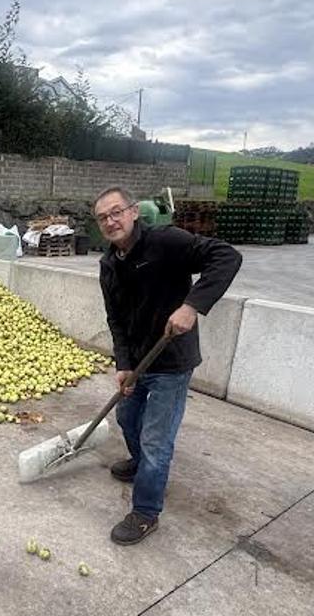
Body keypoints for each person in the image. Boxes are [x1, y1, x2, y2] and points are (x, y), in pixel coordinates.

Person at [94, 186, 242, 545]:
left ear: (133, 212)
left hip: (171, 362)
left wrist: (192, 306)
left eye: (116, 212)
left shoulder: (166, 242)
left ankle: (146, 512)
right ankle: (140, 463)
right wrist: (124, 365)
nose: (111, 221)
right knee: (127, 418)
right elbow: (116, 320)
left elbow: (227, 257)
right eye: (102, 218)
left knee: (157, 441)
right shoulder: (109, 264)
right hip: (139, 361)